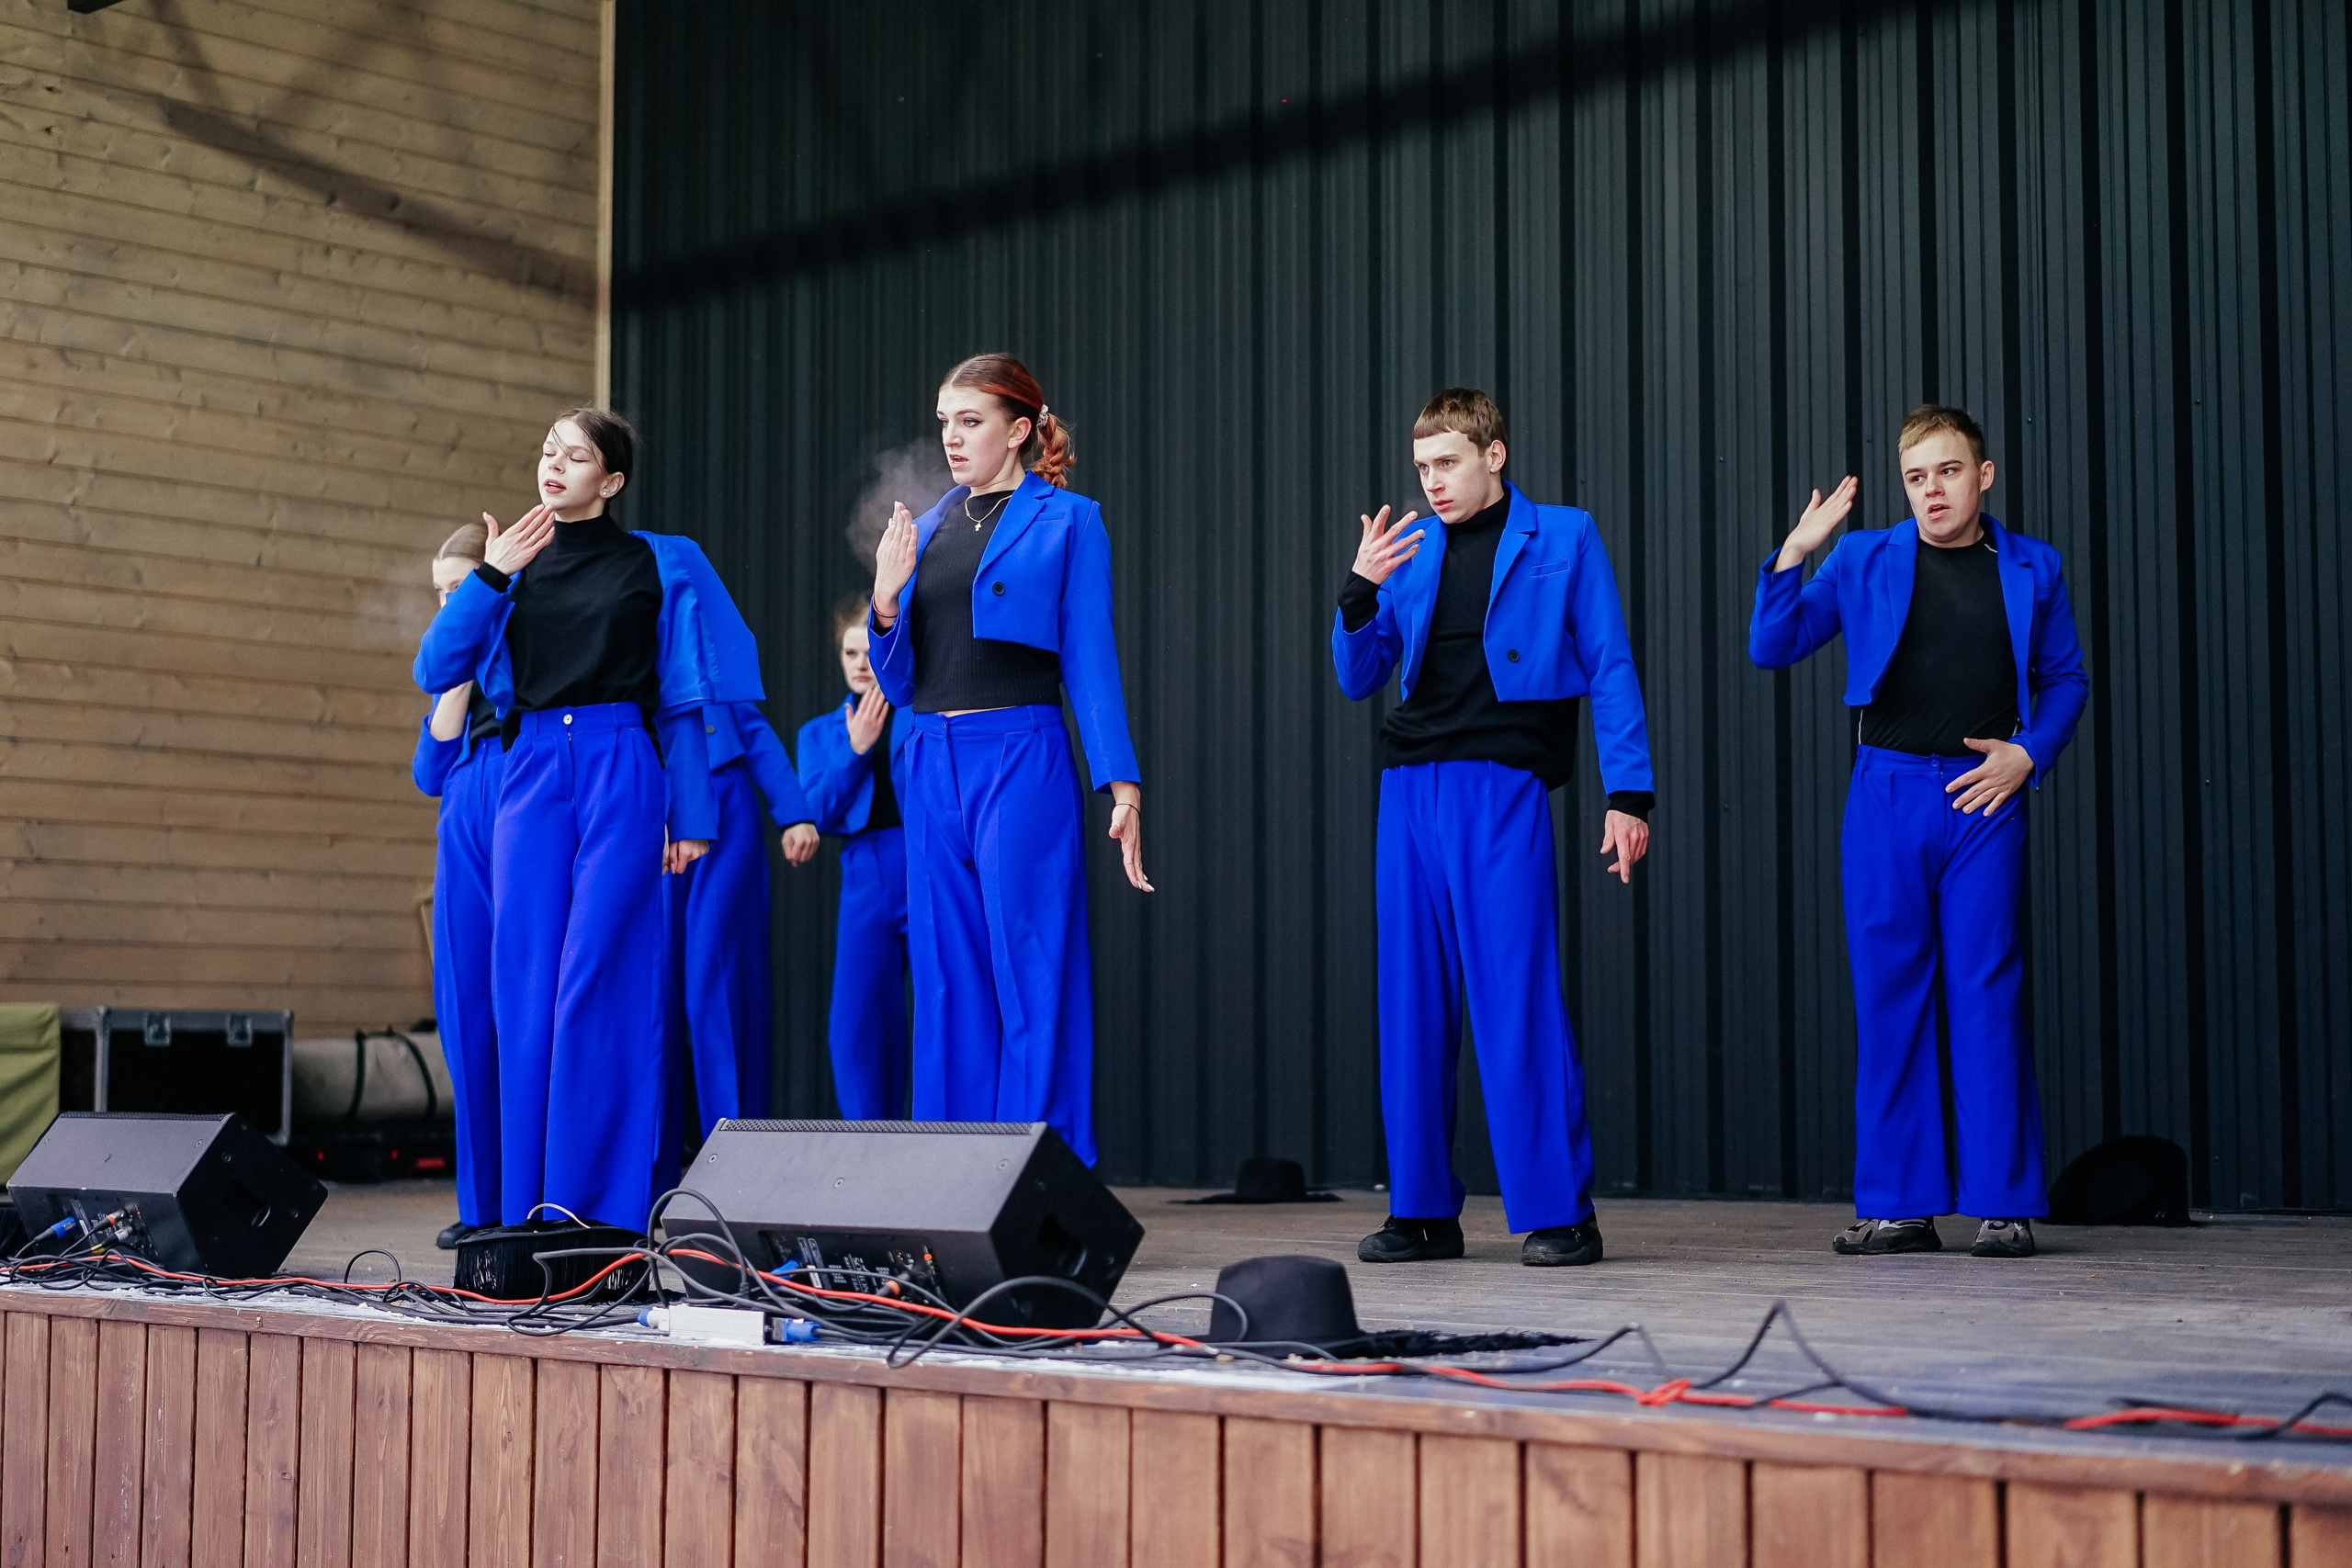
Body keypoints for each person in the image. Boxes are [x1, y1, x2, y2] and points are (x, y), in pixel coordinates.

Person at [413, 408, 766, 1231]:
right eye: (547, 451)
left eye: (575, 456)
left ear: (610, 481)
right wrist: (491, 574)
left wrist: (695, 812)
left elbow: (682, 700)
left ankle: (597, 1213)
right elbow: (437, 667)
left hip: (622, 764)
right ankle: (524, 1211)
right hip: (529, 773)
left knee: (601, 983)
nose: (555, 464)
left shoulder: (659, 562)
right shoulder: (512, 567)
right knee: (526, 988)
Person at [1749, 403, 2087, 1259]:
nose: (1930, 490)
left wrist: (2029, 754)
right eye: (1914, 477)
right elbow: (1772, 643)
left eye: (1946, 471)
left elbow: (2067, 679)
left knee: (1986, 989)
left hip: (1984, 796)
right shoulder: (1862, 557)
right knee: (1889, 992)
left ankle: (2003, 1203)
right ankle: (1900, 1204)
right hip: (1886, 795)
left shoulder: (2032, 567)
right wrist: (1796, 553)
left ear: (1983, 475)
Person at [1333, 388, 1655, 1268]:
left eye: (1448, 463)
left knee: (1516, 996)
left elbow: (1610, 662)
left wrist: (1629, 793)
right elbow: (1361, 676)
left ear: (1495, 454)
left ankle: (1559, 1210)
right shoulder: (1410, 548)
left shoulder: (1565, 535)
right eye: (1423, 467)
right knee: (1411, 1002)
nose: (1432, 483)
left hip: (1503, 784)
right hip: (1410, 789)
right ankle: (1423, 1210)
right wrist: (1359, 591)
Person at [866, 354, 1149, 1164]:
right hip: (927, 757)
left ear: (1019, 429)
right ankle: (952, 1175)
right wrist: (885, 603)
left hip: (1021, 755)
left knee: (1032, 964)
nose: (952, 437)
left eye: (972, 421)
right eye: (945, 421)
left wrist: (1121, 781)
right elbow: (899, 678)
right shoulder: (921, 530)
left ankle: (1043, 1179)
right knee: (947, 977)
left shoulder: (1069, 519)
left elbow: (1091, 656)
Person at [663, 695, 820, 1141]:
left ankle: (734, 1161)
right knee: (649, 1000)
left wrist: (793, 811)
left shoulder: (698, 625)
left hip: (720, 798)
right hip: (644, 795)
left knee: (720, 987)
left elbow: (748, 720)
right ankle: (641, 1185)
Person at [412, 522, 504, 1251]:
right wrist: (456, 674)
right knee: (465, 1008)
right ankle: (480, 1203)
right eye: (439, 591)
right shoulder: (452, 663)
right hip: (462, 816)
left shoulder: (512, 635)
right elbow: (426, 772)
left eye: (458, 587)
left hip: (517, 798)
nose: (448, 602)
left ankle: (531, 1195)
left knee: (522, 1010)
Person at [794, 593, 914, 1118]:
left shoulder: (918, 718)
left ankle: (949, 1145)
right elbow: (815, 811)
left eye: (868, 651)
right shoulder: (820, 734)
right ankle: (872, 1150)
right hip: (863, 872)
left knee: (941, 1006)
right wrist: (855, 748)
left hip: (924, 864)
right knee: (856, 1022)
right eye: (849, 654)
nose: (861, 664)